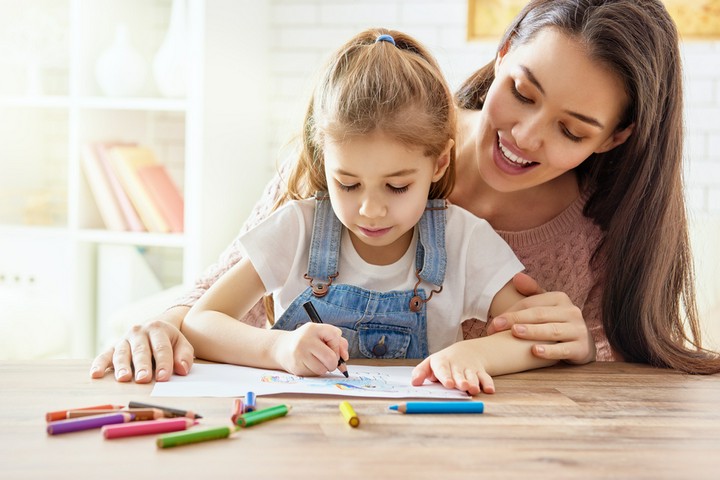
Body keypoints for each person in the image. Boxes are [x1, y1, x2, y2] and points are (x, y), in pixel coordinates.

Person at [91, 0, 720, 386]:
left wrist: (585, 346)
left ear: (613, 138)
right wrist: (165, 327)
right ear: (502, 53)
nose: (524, 135)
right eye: (523, 92)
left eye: (570, 129)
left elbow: (620, 374)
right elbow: (218, 298)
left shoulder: (595, 235)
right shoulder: (374, 133)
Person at [178, 29, 553, 395]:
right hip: (301, 438)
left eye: (397, 187)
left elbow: (536, 338)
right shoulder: (298, 229)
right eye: (348, 184)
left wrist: (475, 353)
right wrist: (278, 348)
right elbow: (201, 322)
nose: (370, 211)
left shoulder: (463, 240)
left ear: (439, 164)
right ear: (324, 162)